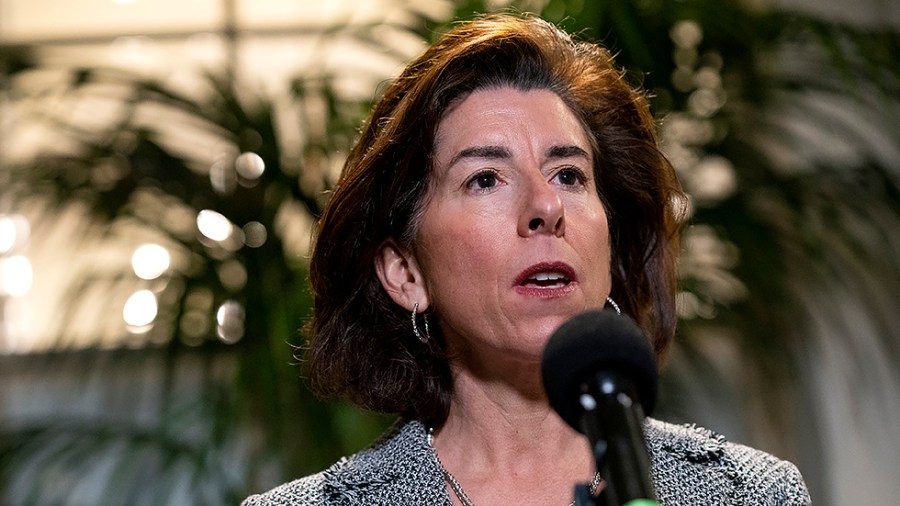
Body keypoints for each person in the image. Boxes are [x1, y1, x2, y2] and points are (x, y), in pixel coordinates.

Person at [243, 13, 810, 506]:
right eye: (485, 178)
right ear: (406, 273)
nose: (545, 205)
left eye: (569, 175)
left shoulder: (750, 494)